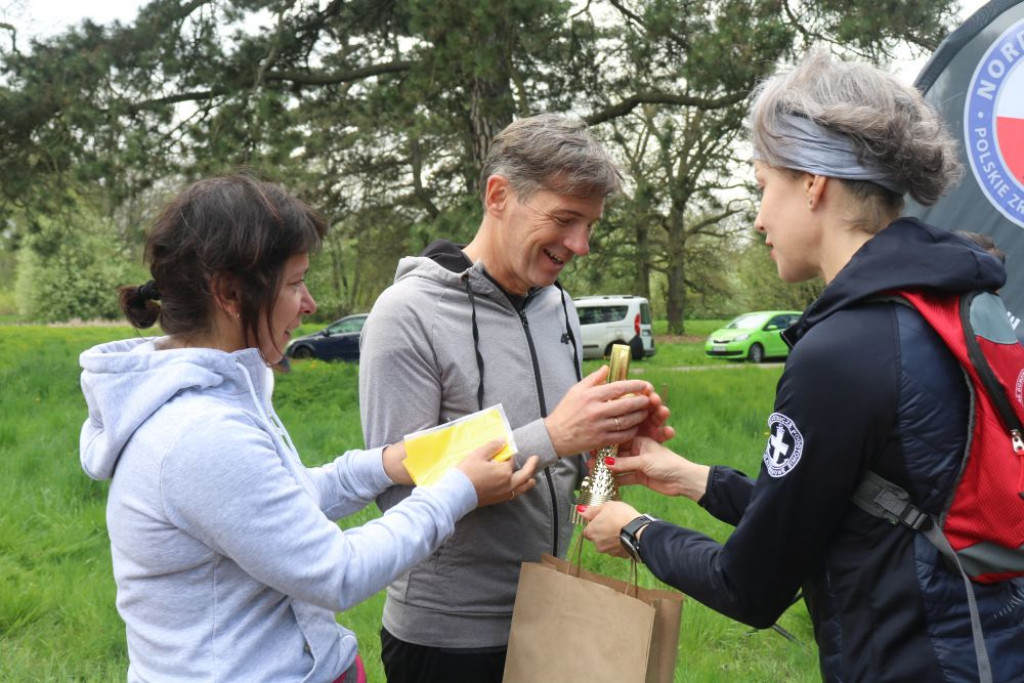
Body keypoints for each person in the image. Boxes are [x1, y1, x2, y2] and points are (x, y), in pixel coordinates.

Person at [579, 51, 1024, 682]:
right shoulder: (947, 302)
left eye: (764, 186)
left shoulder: (842, 350)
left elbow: (751, 585)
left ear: (813, 181)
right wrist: (688, 477)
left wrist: (634, 530)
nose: (759, 217)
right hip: (990, 648)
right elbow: (853, 504)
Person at [79, 175, 539, 682]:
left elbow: (280, 503)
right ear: (231, 293)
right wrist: (458, 491)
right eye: (296, 282)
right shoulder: (200, 434)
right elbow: (336, 572)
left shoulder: (221, 395)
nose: (311, 303)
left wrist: (385, 464)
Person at [358, 113, 673, 682]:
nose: (579, 245)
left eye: (590, 225)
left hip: (557, 611)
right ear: (499, 195)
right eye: (565, 219)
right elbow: (392, 494)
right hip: (450, 640)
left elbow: (565, 462)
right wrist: (553, 435)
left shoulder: (560, 307)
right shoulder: (406, 314)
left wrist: (610, 447)